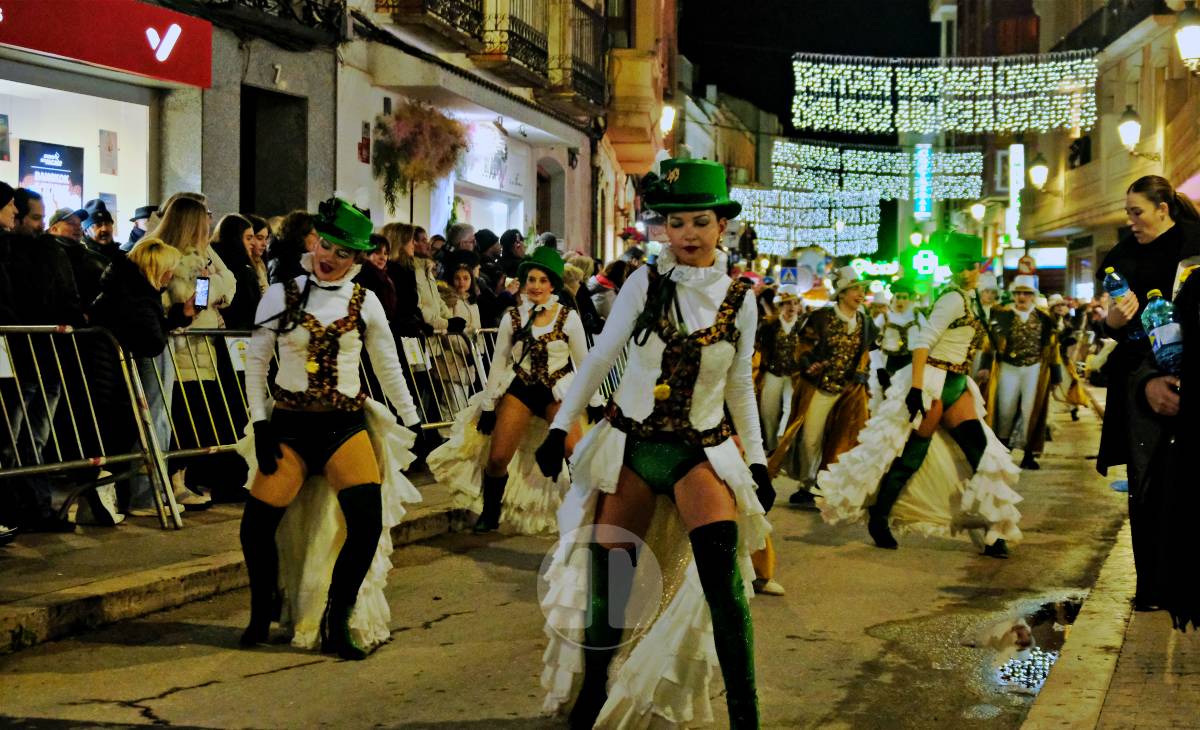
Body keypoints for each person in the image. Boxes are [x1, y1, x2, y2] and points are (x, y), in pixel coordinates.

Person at [535, 159, 775, 728]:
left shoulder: (742, 299)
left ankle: (747, 715)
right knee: (610, 575)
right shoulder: (644, 282)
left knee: (723, 584)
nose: (687, 234)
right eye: (676, 222)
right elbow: (600, 356)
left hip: (701, 451)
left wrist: (758, 458)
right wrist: (556, 426)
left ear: (723, 226)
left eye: (700, 221)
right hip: (633, 446)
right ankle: (596, 688)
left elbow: (740, 384)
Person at [238, 197, 423, 659]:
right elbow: (256, 365)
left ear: (357, 258)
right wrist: (261, 425)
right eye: (326, 245)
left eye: (343, 252)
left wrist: (414, 419)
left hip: (344, 426)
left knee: (367, 523)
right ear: (313, 240)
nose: (330, 258)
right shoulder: (280, 294)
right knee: (254, 527)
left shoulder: (367, 302)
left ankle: (336, 620)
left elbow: (387, 366)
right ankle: (265, 609)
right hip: (289, 428)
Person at [817, 231, 1022, 557]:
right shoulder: (952, 298)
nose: (966, 271)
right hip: (932, 382)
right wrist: (915, 388)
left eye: (971, 266)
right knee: (911, 455)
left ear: (980, 268)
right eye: (960, 266)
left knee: (983, 455)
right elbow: (923, 342)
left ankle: (995, 530)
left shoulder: (971, 298)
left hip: (957, 383)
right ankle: (879, 517)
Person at [428, 246, 594, 535]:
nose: (536, 286)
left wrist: (595, 400)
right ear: (523, 283)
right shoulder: (512, 317)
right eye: (531, 280)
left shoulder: (569, 318)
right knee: (497, 457)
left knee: (577, 455)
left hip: (558, 390)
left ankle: (586, 516)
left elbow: (585, 362)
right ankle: (491, 513)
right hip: (521, 387)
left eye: (543, 280)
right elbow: (499, 363)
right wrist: (490, 405)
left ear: (553, 284)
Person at [1096, 175, 1200, 610]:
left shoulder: (1194, 248)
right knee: (1146, 485)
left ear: (1163, 208)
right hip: (1141, 380)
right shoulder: (1122, 257)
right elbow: (1108, 325)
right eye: (1127, 213)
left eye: (1137, 211)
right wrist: (1114, 322)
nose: (1131, 221)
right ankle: (1152, 587)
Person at [90, 238, 194, 516]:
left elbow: (150, 330)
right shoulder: (138, 296)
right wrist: (168, 321)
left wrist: (177, 318)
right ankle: (145, 496)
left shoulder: (128, 289)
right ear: (155, 268)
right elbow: (150, 340)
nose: (171, 275)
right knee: (147, 427)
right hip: (113, 378)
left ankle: (144, 495)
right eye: (168, 269)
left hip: (111, 376)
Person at [770, 266, 877, 505]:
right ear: (841, 294)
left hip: (849, 391)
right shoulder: (821, 318)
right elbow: (804, 346)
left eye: (862, 290)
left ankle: (825, 485)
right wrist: (810, 364)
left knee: (843, 438)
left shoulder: (866, 323)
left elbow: (867, 353)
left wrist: (862, 373)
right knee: (810, 438)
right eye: (855, 290)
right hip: (819, 388)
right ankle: (807, 483)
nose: (860, 294)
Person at [981, 275, 1058, 470]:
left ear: (1033, 296)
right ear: (1013, 295)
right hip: (1008, 367)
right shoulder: (1001, 315)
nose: (1022, 297)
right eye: (1018, 293)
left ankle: (1028, 453)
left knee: (1030, 410)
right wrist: (984, 366)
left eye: (1026, 293)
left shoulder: (1044, 317)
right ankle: (1003, 451)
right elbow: (989, 345)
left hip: (1034, 368)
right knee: (1005, 408)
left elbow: (1052, 346)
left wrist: (1056, 375)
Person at [755, 288, 804, 451]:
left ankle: (784, 444)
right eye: (788, 303)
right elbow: (760, 348)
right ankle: (771, 444)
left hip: (795, 375)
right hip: (772, 372)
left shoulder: (803, 325)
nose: (791, 306)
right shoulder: (770, 324)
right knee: (768, 410)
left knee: (791, 408)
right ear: (780, 306)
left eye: (795, 303)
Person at [209, 214, 262, 330]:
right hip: (235, 339)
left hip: (213, 336)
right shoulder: (244, 273)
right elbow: (253, 312)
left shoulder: (210, 264)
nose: (253, 243)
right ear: (235, 239)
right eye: (248, 238)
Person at [266, 210, 318, 284]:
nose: (319, 239)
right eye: (315, 234)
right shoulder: (286, 262)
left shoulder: (298, 258)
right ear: (301, 234)